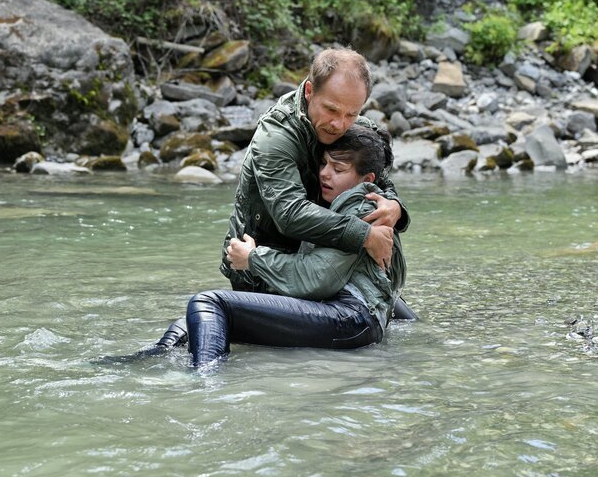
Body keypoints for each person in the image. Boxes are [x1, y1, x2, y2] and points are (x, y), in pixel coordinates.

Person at [99, 125, 406, 367]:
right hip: (348, 318)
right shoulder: (363, 198)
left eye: (338, 170)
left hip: (350, 320)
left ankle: (205, 386)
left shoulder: (363, 204)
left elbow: (316, 278)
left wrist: (254, 258)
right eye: (324, 163)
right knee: (201, 319)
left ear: (365, 178)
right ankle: (158, 354)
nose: (324, 174)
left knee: (210, 303)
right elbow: (385, 287)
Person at [219, 47, 410, 294]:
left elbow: (381, 181)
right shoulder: (275, 137)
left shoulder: (355, 127)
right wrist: (365, 235)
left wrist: (395, 208)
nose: (339, 124)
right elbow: (290, 214)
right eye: (331, 110)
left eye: (351, 113)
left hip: (325, 262)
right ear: (309, 91)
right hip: (260, 268)